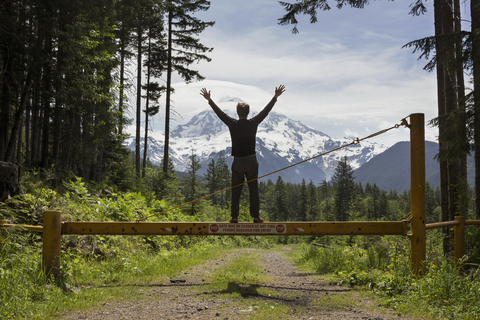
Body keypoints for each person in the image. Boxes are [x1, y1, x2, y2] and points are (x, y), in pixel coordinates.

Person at [200, 85, 286, 223]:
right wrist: (275, 97)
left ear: (237, 112)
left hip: (238, 162)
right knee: (254, 189)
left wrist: (209, 100)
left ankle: (234, 217)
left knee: (236, 190)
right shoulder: (253, 122)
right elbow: (266, 111)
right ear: (248, 112)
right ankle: (256, 217)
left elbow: (220, 113)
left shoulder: (232, 123)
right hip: (251, 161)